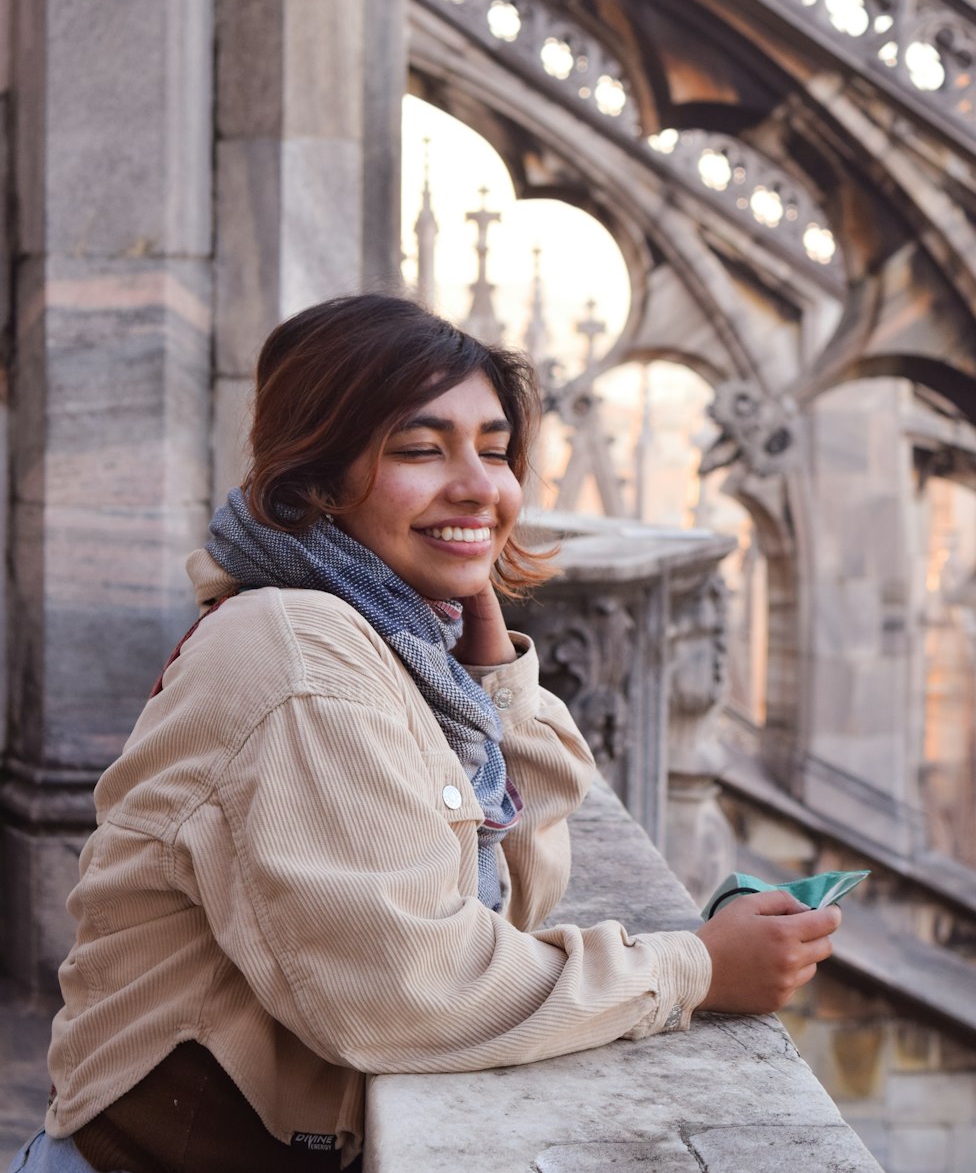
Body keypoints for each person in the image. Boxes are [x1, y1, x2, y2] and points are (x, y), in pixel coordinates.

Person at [9, 294, 841, 1173]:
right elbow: (412, 990)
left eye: (493, 449)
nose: (481, 485)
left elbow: (513, 899)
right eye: (420, 448)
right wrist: (694, 969)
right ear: (317, 479)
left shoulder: (390, 641)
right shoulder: (300, 650)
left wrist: (489, 680)